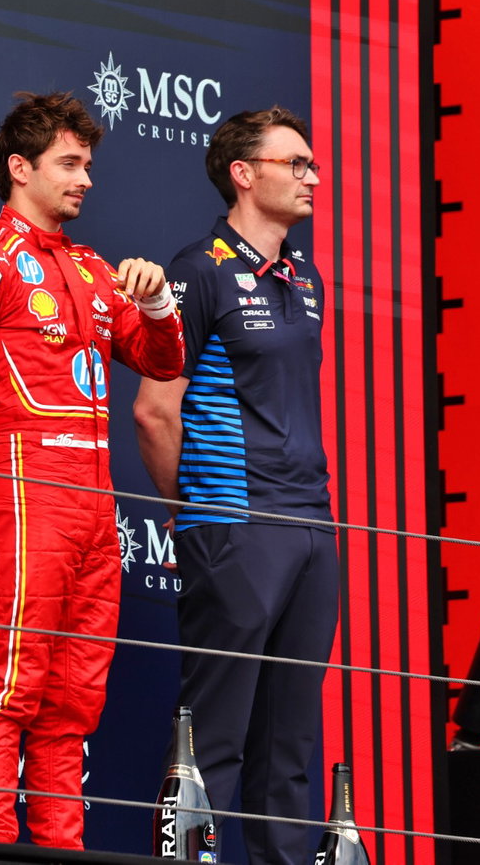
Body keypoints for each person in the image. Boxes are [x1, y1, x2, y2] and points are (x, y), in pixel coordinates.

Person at [0, 91, 184, 848]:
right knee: (12, 683)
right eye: (70, 164)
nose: (86, 179)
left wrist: (160, 301)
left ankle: (62, 847)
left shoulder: (99, 271)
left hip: (97, 504)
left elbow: (163, 359)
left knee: (75, 699)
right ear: (19, 168)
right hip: (27, 491)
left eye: (89, 164)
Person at [133, 107, 337, 865]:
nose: (312, 176)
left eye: (313, 164)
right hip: (236, 523)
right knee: (214, 734)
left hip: (313, 526)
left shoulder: (306, 274)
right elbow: (156, 410)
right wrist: (202, 517)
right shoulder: (199, 268)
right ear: (245, 174)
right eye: (296, 163)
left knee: (290, 740)